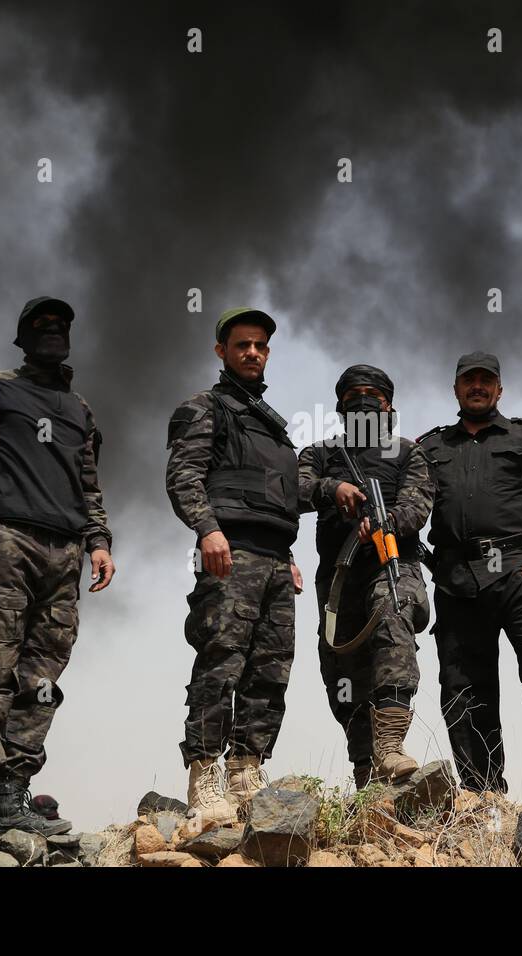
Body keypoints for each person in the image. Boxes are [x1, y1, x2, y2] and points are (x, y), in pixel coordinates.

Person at [0, 295, 115, 847]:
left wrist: (99, 541)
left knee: (41, 682)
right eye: (41, 326)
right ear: (22, 339)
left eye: (60, 326)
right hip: (5, 541)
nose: (52, 333)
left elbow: (88, 485)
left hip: (64, 554)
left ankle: (14, 795)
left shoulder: (79, 409)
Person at [418, 352, 522, 806]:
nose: (477, 386)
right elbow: (405, 507)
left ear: (499, 389)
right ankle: (482, 792)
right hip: (455, 575)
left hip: (519, 568)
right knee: (462, 685)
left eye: (485, 380)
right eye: (468, 380)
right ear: (455, 388)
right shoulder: (430, 447)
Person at [166, 308, 302, 831]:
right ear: (221, 350)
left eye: (260, 345)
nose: (252, 352)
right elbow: (183, 478)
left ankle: (247, 768)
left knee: (271, 667)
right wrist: (207, 530)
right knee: (221, 659)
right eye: (242, 344)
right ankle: (205, 774)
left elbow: (280, 499)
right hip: (229, 553)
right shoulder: (205, 408)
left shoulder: (273, 427)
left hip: (273, 560)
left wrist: (288, 554)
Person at [297, 365, 434, 789]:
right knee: (341, 667)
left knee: (393, 625)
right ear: (340, 405)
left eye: (372, 394)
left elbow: (418, 505)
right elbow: (295, 489)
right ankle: (366, 772)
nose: (362, 400)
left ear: (388, 404)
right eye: (352, 394)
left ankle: (390, 745)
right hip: (338, 578)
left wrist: (384, 521)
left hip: (393, 565)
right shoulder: (320, 454)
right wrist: (332, 489)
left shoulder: (409, 452)